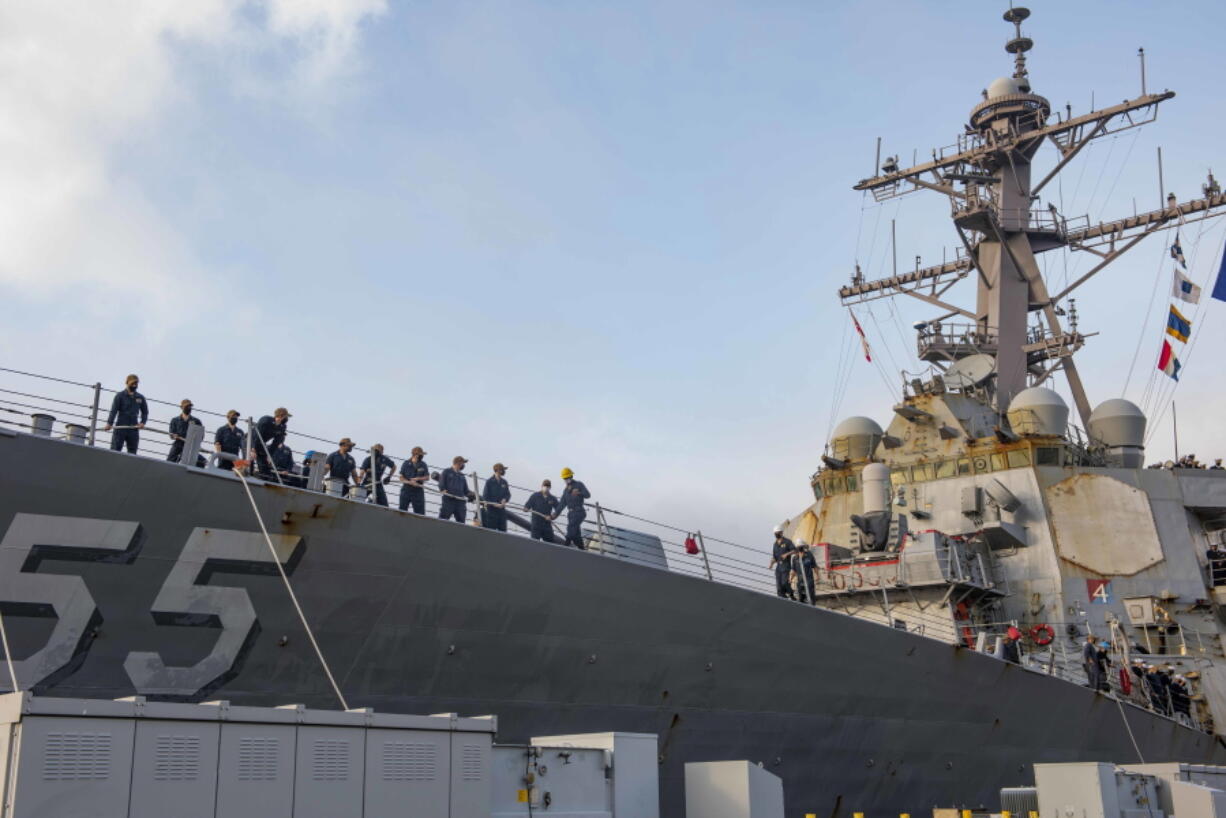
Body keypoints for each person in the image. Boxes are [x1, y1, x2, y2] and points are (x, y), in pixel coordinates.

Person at [104, 374, 148, 454]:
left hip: (134, 428)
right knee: (115, 451)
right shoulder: (119, 396)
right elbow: (113, 411)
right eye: (133, 383)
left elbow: (145, 412)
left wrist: (142, 422)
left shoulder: (140, 397)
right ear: (127, 382)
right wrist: (109, 423)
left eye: (136, 383)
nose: (135, 385)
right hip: (120, 427)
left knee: (132, 453)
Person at [552, 467, 590, 548]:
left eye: (567, 477)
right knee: (576, 535)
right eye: (565, 478)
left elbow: (587, 495)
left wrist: (579, 493)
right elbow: (562, 504)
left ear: (571, 476)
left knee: (570, 529)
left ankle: (565, 546)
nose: (566, 479)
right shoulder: (565, 491)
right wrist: (555, 514)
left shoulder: (579, 484)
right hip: (571, 514)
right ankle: (582, 550)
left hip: (579, 512)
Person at [254, 408, 291, 479]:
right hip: (250, 440)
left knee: (264, 468)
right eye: (286, 417)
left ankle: (264, 479)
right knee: (247, 461)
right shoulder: (266, 420)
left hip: (261, 444)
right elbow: (256, 435)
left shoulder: (282, 427)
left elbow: (275, 443)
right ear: (281, 416)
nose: (286, 419)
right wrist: (253, 449)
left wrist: (269, 455)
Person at [166, 399, 204, 465]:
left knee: (200, 462)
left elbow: (201, 436)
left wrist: (194, 441)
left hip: (190, 446)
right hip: (178, 444)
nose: (189, 408)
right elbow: (171, 434)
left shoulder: (197, 421)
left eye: (190, 407)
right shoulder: (175, 420)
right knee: (170, 461)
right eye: (187, 406)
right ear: (181, 407)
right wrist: (175, 436)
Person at [438, 456, 474, 522]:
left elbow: (466, 490)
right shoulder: (446, 472)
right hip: (449, 500)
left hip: (460, 502)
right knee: (443, 519)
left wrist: (471, 495)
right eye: (463, 463)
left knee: (461, 521)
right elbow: (441, 483)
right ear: (458, 463)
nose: (463, 465)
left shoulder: (462, 476)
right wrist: (443, 490)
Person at [398, 447, 430, 514]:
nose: (422, 456)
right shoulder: (406, 464)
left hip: (418, 491)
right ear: (416, 455)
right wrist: (409, 482)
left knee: (420, 513)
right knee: (402, 511)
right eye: (421, 454)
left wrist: (418, 479)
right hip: (406, 490)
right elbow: (401, 477)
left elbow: (427, 477)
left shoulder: (423, 464)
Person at [481, 463, 512, 531]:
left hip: (501, 512)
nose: (503, 471)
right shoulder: (489, 482)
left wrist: (505, 499)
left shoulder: (504, 482)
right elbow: (485, 496)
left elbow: (508, 494)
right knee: (491, 531)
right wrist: (494, 504)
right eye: (502, 470)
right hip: (491, 511)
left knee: (503, 531)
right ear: (498, 470)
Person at [770, 525, 797, 600]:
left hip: (786, 566)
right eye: (775, 533)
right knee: (779, 587)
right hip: (778, 567)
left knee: (784, 583)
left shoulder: (787, 542)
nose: (776, 534)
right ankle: (783, 600)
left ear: (781, 533)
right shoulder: (775, 544)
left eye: (778, 533)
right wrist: (771, 563)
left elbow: (795, 550)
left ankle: (791, 593)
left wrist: (787, 554)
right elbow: (775, 557)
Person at [792, 539, 817, 604]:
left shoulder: (809, 555)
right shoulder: (795, 558)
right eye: (798, 547)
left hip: (809, 580)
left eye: (801, 546)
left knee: (810, 597)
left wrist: (817, 576)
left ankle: (812, 609)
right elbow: (793, 570)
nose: (800, 548)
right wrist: (790, 579)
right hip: (800, 581)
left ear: (803, 546)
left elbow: (814, 566)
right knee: (801, 598)